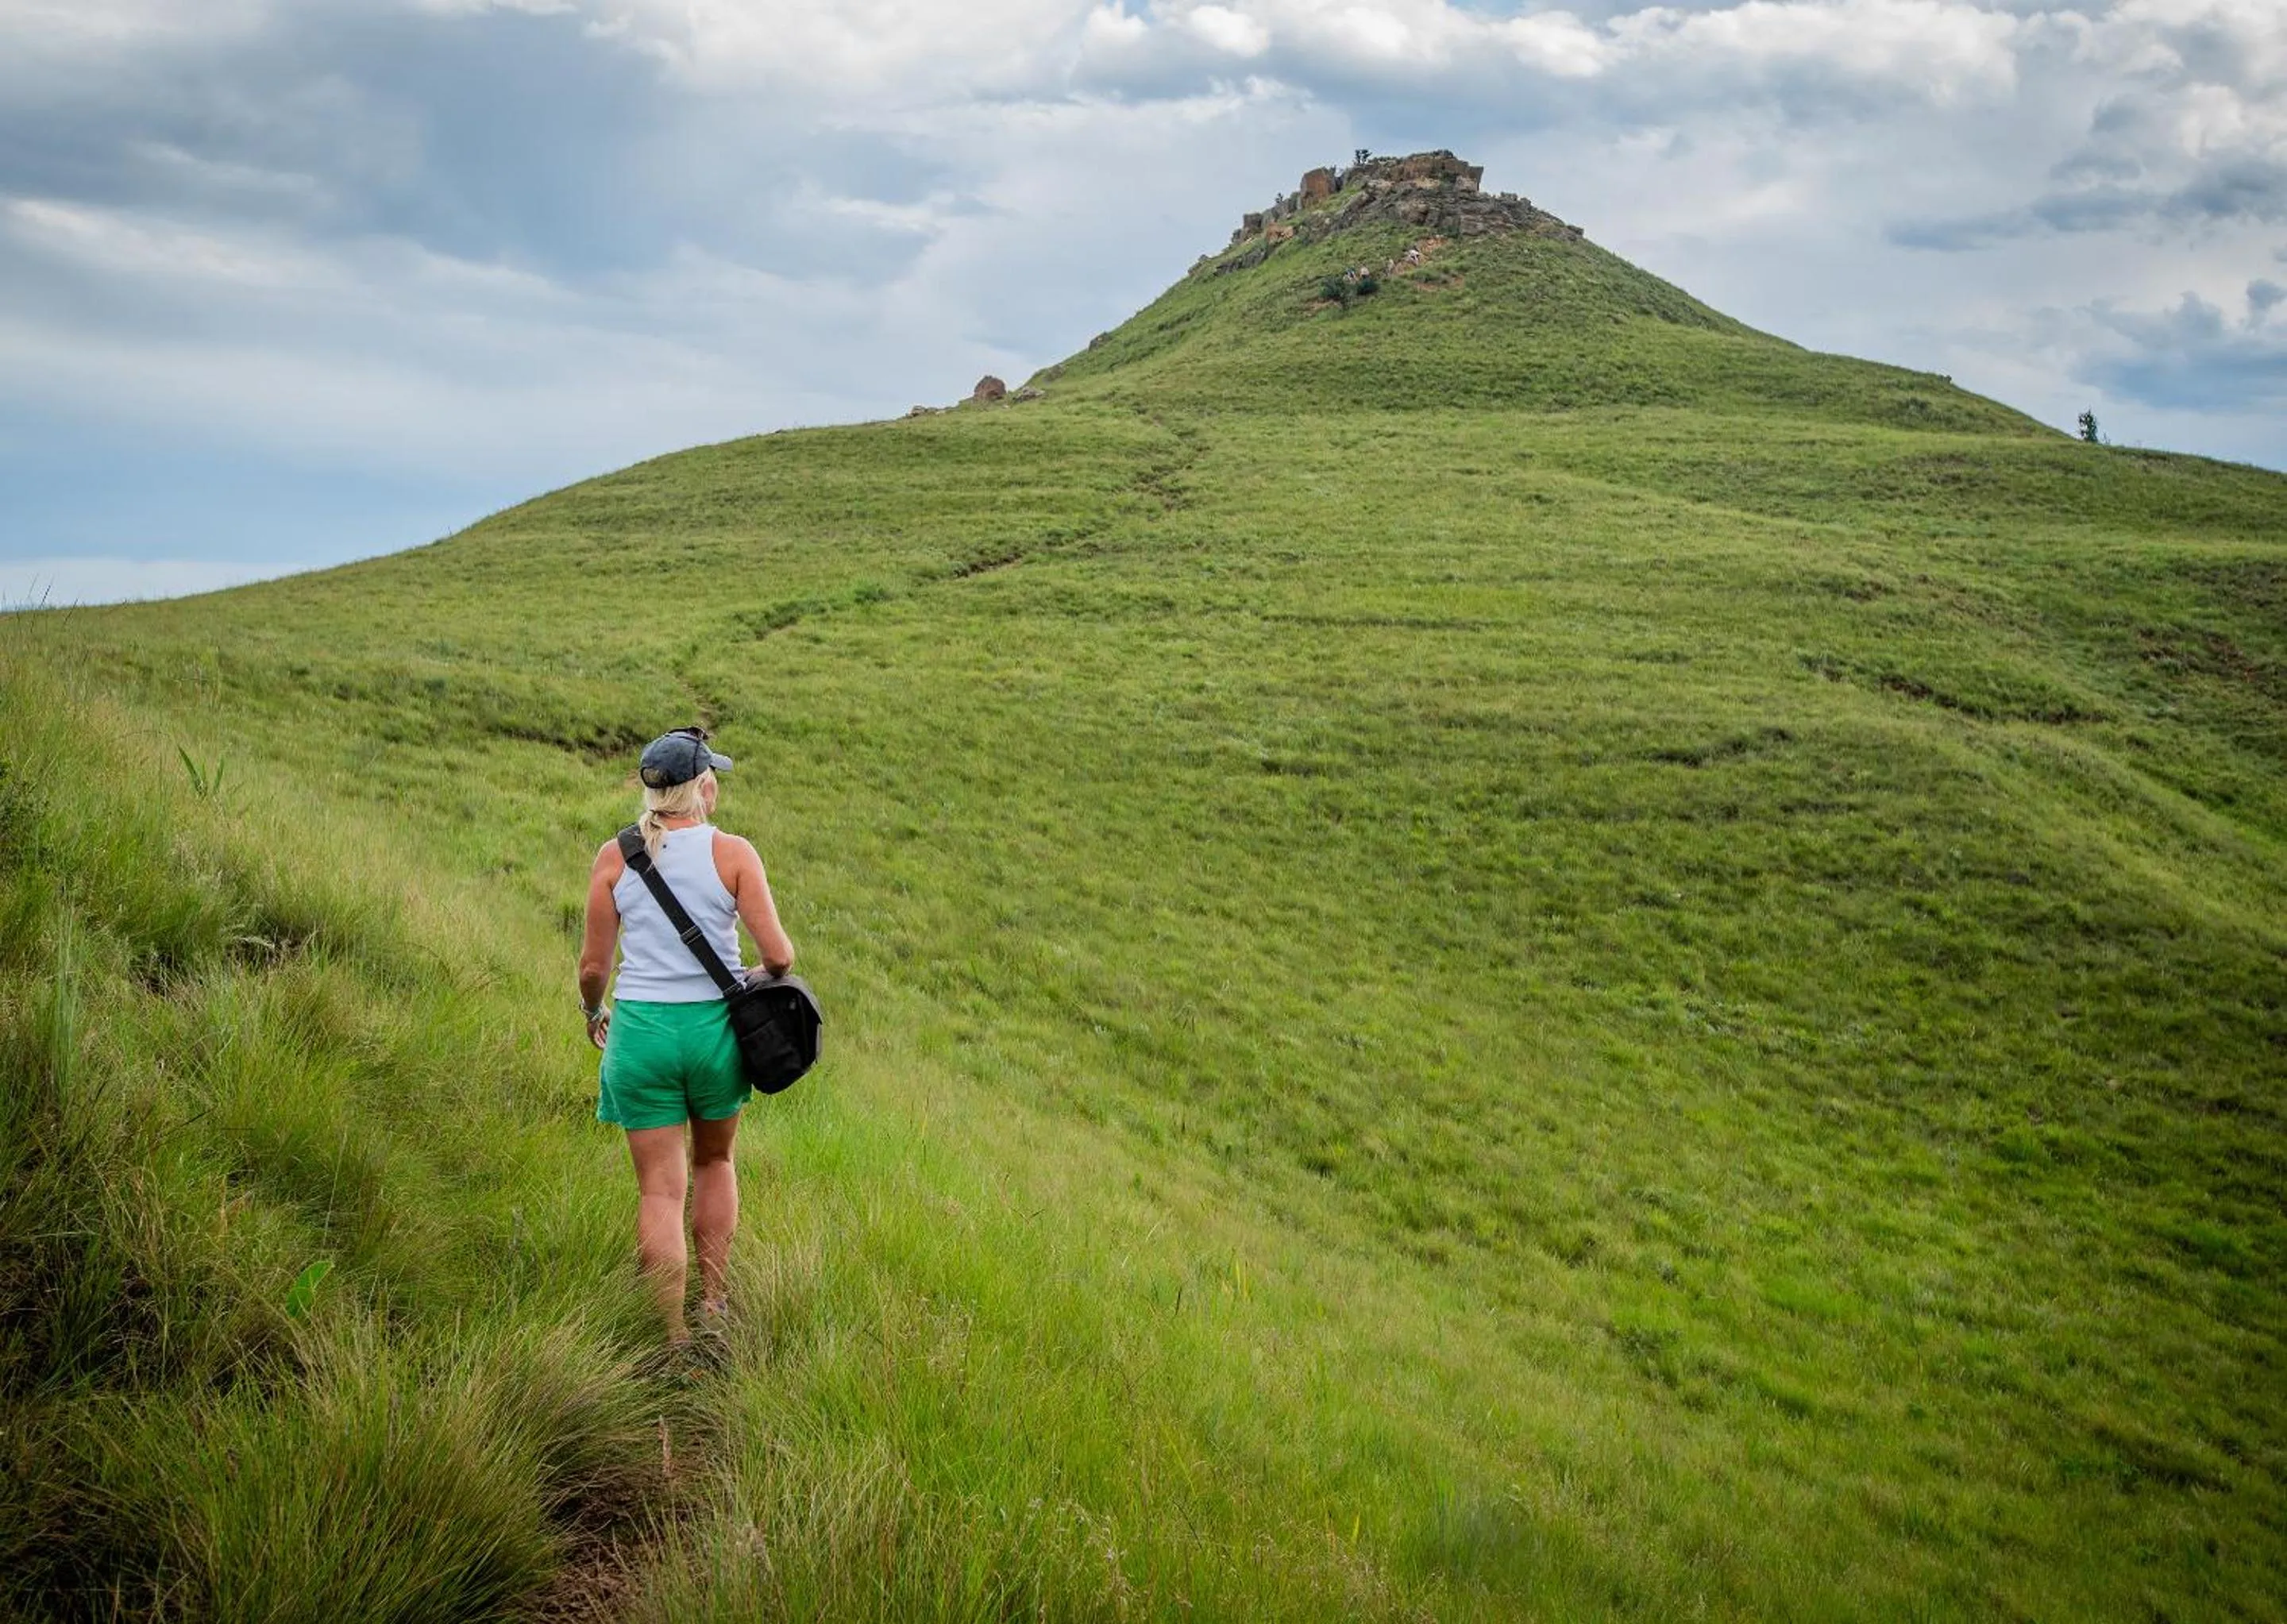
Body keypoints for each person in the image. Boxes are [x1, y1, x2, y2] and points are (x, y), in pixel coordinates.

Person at [577, 727, 796, 1345]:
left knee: (659, 1191)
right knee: (715, 1160)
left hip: (642, 1035)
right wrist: (747, 976)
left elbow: (593, 967)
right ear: (703, 787)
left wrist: (592, 1011)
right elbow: (779, 956)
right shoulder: (734, 853)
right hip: (714, 1036)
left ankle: (670, 1335)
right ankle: (714, 1305)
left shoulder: (614, 856)